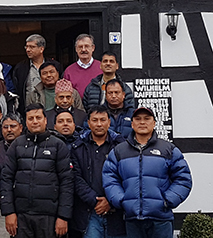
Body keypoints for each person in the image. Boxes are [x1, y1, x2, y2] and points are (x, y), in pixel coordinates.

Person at [103, 107, 192, 238]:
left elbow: (183, 179)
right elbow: (109, 178)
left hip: (161, 220)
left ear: (154, 123)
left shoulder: (168, 149)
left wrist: (167, 201)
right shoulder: (119, 151)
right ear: (132, 124)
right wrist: (122, 200)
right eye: (138, 119)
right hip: (132, 220)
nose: (142, 122)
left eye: (147, 119)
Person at [1, 103, 73, 238]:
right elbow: (6, 179)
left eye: (38, 117)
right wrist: (9, 212)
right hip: (21, 216)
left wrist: (63, 216)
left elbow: (67, 182)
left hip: (49, 217)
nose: (35, 121)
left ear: (45, 120)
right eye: (30, 118)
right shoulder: (17, 145)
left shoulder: (58, 145)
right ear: (26, 122)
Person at [70, 105, 126, 238]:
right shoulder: (78, 147)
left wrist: (110, 201)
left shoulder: (121, 147)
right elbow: (76, 178)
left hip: (117, 212)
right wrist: (95, 201)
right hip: (90, 211)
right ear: (88, 123)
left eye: (103, 120)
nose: (99, 124)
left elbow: (126, 177)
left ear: (109, 122)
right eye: (95, 120)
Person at [0, 113, 23, 238]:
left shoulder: (29, 147)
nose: (9, 130)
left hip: (25, 204)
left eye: (13, 126)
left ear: (20, 127)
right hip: (0, 204)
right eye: (5, 127)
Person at [12, 34, 62, 116]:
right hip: (29, 111)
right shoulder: (20, 68)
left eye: (32, 47)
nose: (28, 50)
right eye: (26, 47)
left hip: (54, 110)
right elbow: (17, 91)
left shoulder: (55, 66)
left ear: (41, 49)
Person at [63, 34, 103, 98]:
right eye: (80, 47)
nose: (83, 50)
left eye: (86, 46)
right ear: (76, 49)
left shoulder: (102, 67)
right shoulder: (69, 71)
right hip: (77, 107)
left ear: (93, 48)